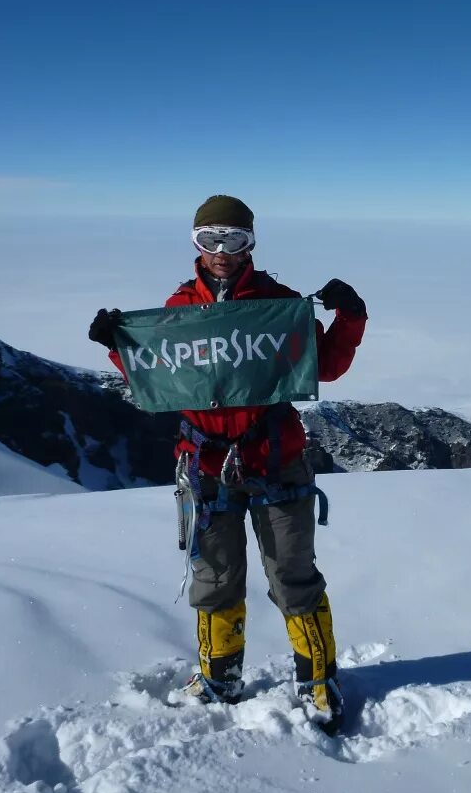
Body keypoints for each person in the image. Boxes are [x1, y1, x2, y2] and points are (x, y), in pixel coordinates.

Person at [87, 194, 366, 735]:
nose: (220, 251)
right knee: (215, 578)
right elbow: (163, 378)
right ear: (195, 243)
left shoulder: (277, 303)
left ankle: (317, 681)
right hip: (207, 466)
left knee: (294, 576)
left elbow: (325, 367)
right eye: (208, 239)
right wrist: (118, 348)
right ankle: (220, 676)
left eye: (233, 239)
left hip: (275, 458)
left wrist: (350, 318)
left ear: (251, 244)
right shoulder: (179, 306)